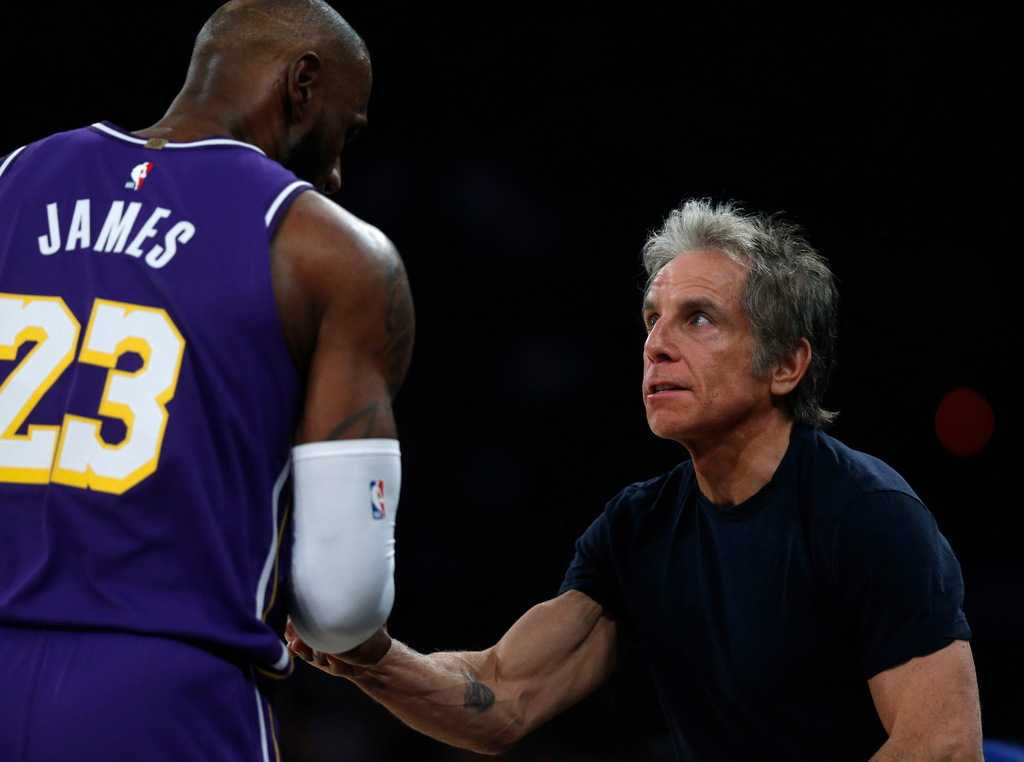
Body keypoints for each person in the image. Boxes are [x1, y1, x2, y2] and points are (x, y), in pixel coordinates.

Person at [287, 199, 983, 760]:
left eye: (698, 318)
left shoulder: (867, 514)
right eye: (652, 319)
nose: (656, 343)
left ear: (786, 365)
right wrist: (365, 655)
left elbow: (943, 745)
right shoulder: (638, 529)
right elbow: (502, 697)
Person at [0, 1, 413, 760]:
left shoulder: (15, 178)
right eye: (343, 133)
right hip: (166, 690)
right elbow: (341, 601)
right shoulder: (331, 250)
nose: (336, 171)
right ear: (303, 84)